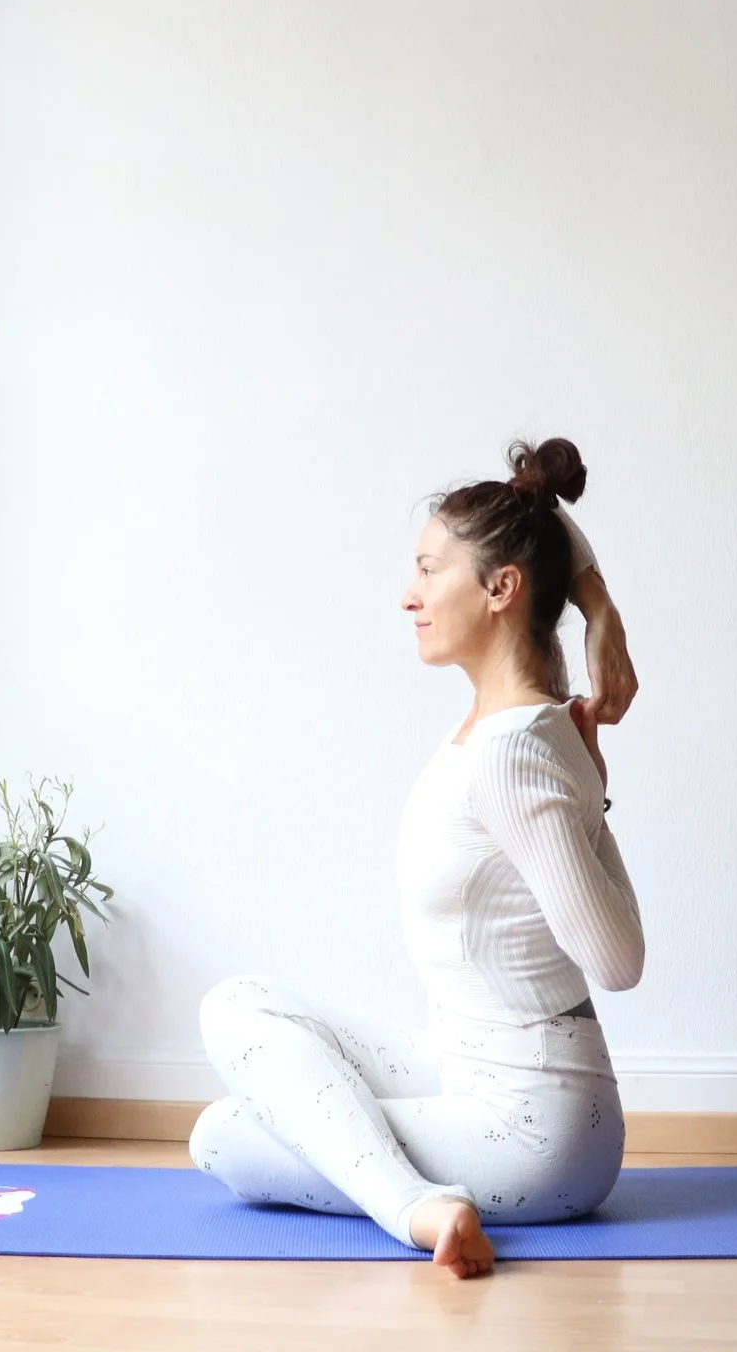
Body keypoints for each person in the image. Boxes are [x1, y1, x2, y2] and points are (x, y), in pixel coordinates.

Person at [190, 437, 644, 1278]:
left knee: (225, 1137)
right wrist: (598, 604)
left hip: (539, 1127)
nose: (410, 595)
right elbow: (545, 532)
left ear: (501, 588)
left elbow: (617, 962)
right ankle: (415, 1188)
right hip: (468, 1067)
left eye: (431, 571)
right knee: (239, 1006)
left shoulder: (514, 752)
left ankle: (416, 1209)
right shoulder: (511, 726)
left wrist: (596, 809)